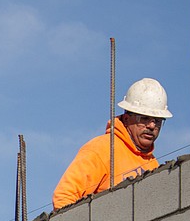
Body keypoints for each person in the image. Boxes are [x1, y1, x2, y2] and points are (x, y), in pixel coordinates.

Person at [52, 78, 172, 210]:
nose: (151, 126)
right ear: (126, 119)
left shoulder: (153, 164)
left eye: (157, 121)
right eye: (144, 118)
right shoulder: (101, 149)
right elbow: (64, 197)